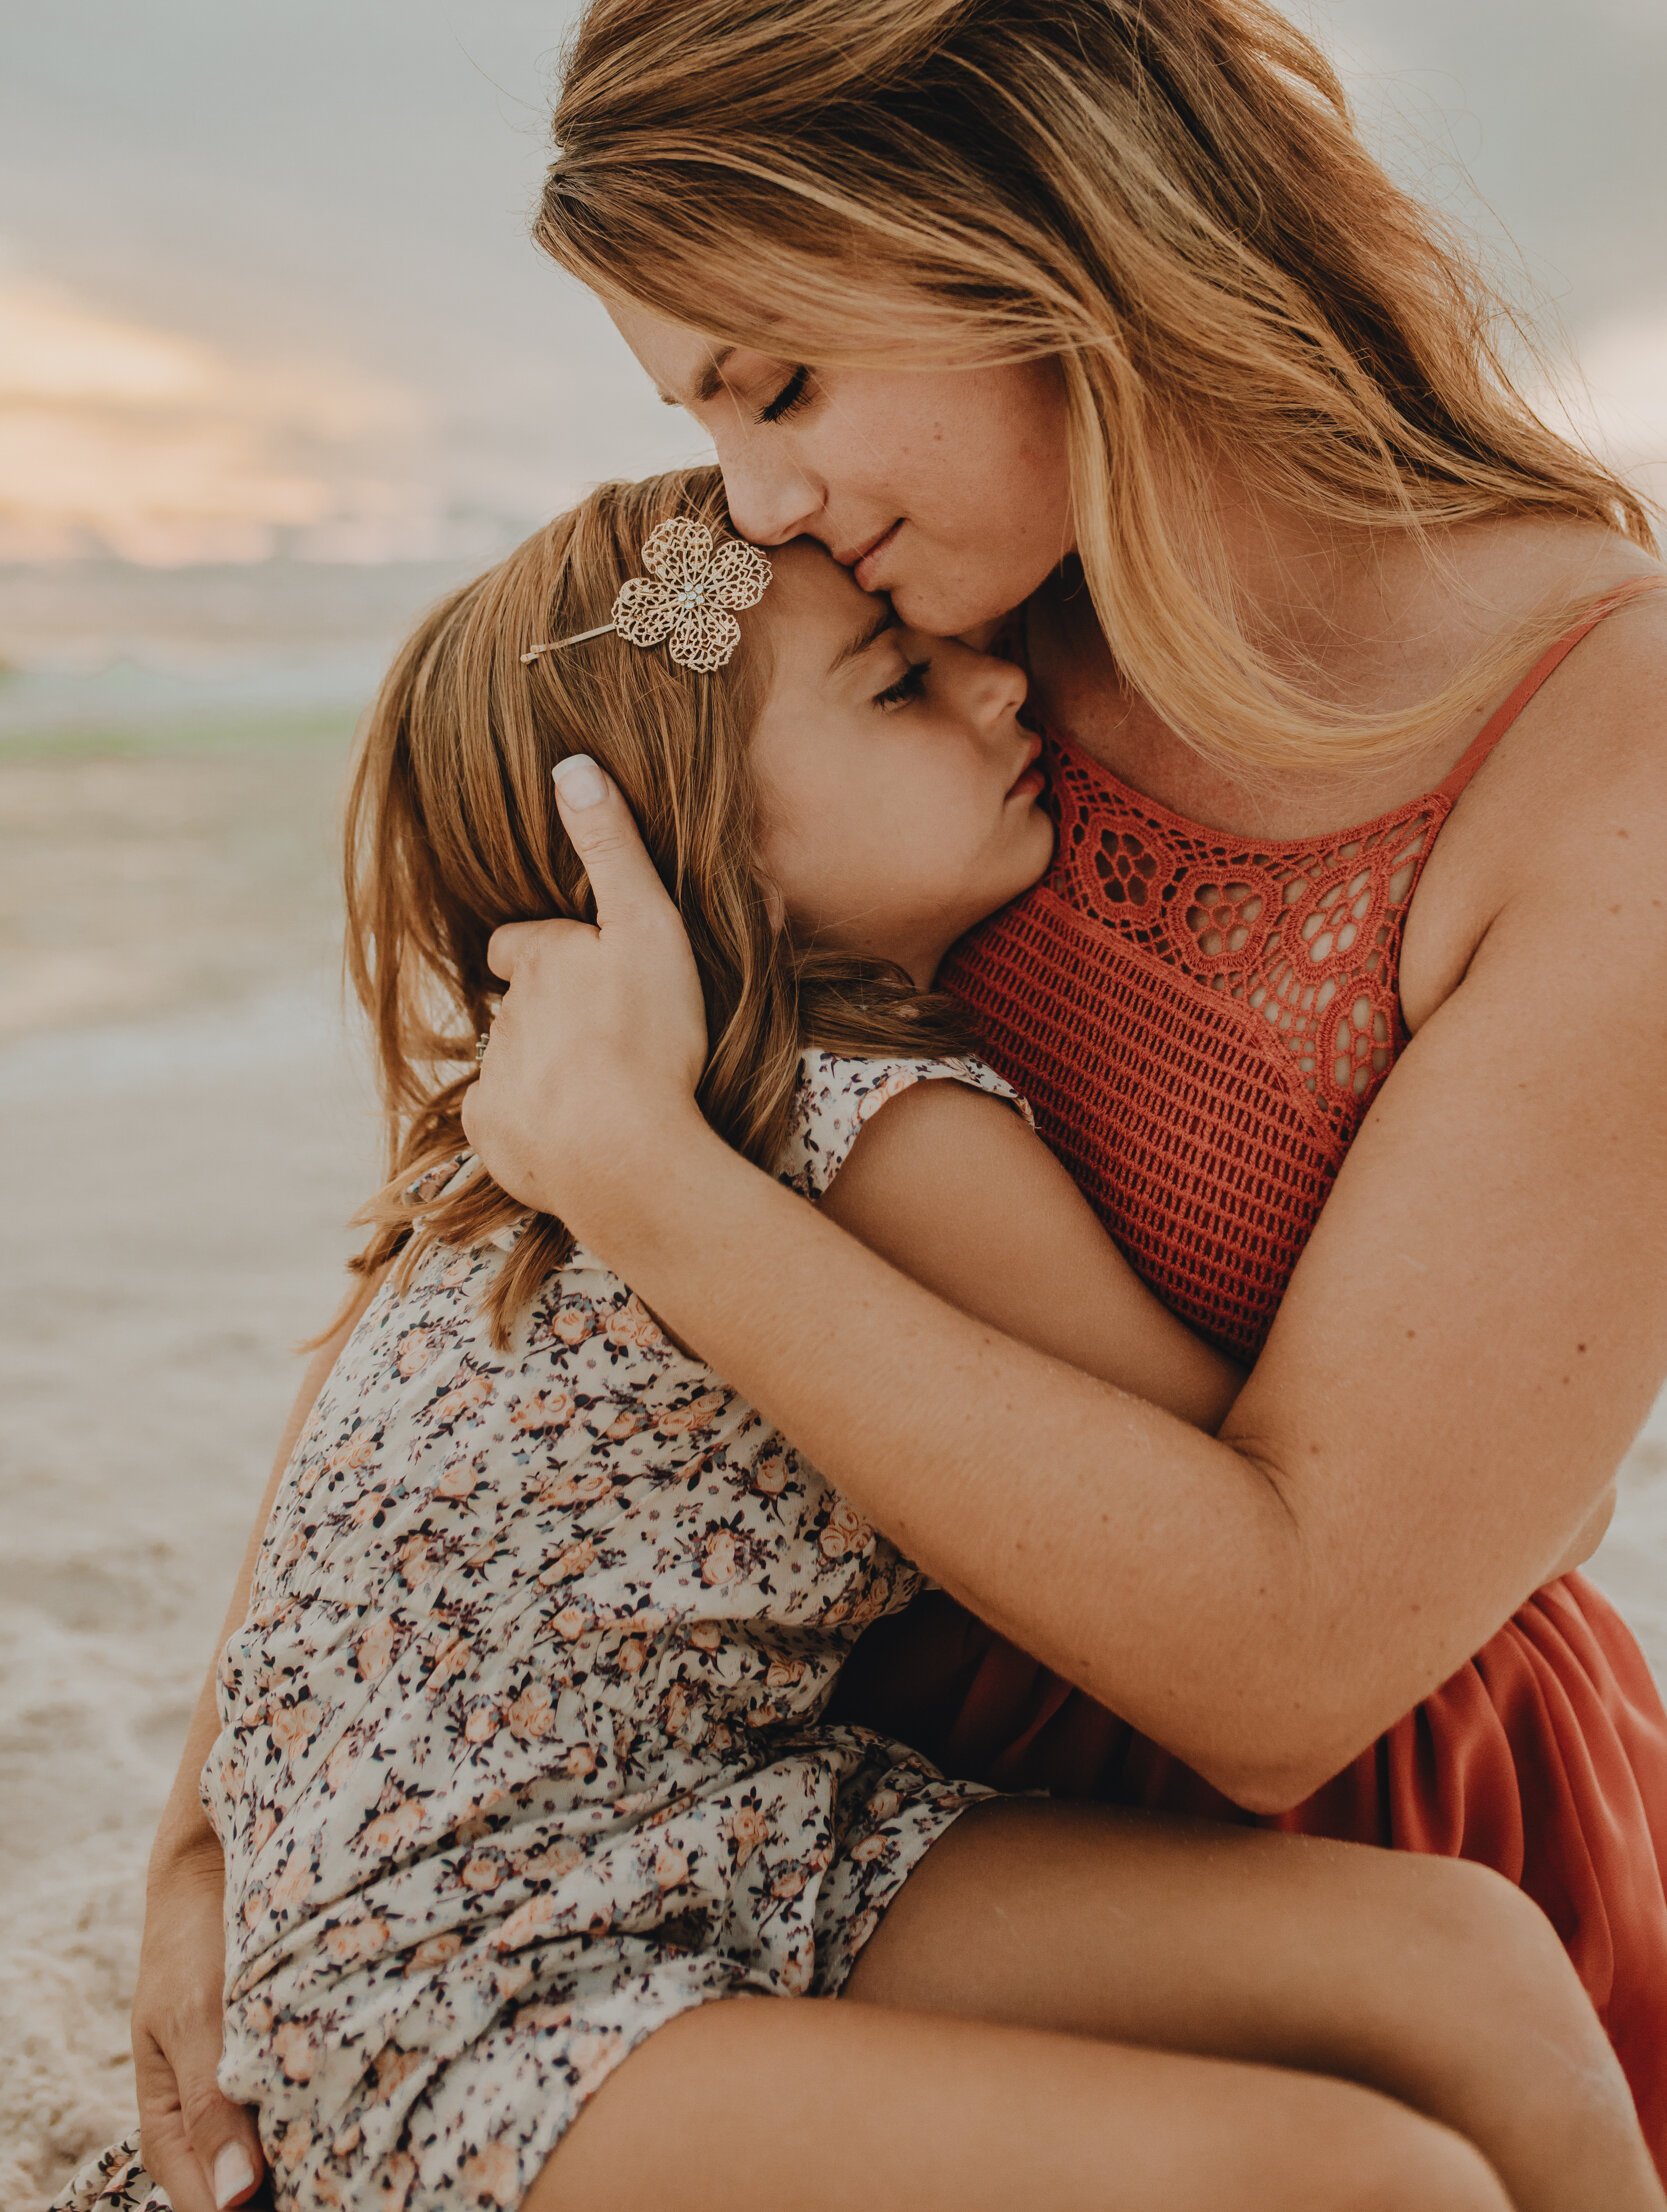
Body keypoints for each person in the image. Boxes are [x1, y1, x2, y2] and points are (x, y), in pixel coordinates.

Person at [129, 0, 1667, 2203]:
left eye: (777, 378)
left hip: (1287, 1843)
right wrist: (232, 1795)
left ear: (1038, 226)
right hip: (765, 1821)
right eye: (698, 413)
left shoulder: (1596, 752)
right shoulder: (908, 622)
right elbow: (501, 1197)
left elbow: (1290, 1666)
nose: (748, 499)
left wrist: (657, 1178)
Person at [61, 471, 1665, 2212]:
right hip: (466, 1961)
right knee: (1366, 2179)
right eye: (902, 684)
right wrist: (1542, 1485)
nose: (1002, 689)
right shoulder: (878, 1128)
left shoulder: (565, 1107)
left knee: (1464, 1964)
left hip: (733, 1823)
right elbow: (1337, 1502)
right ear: (699, 850)